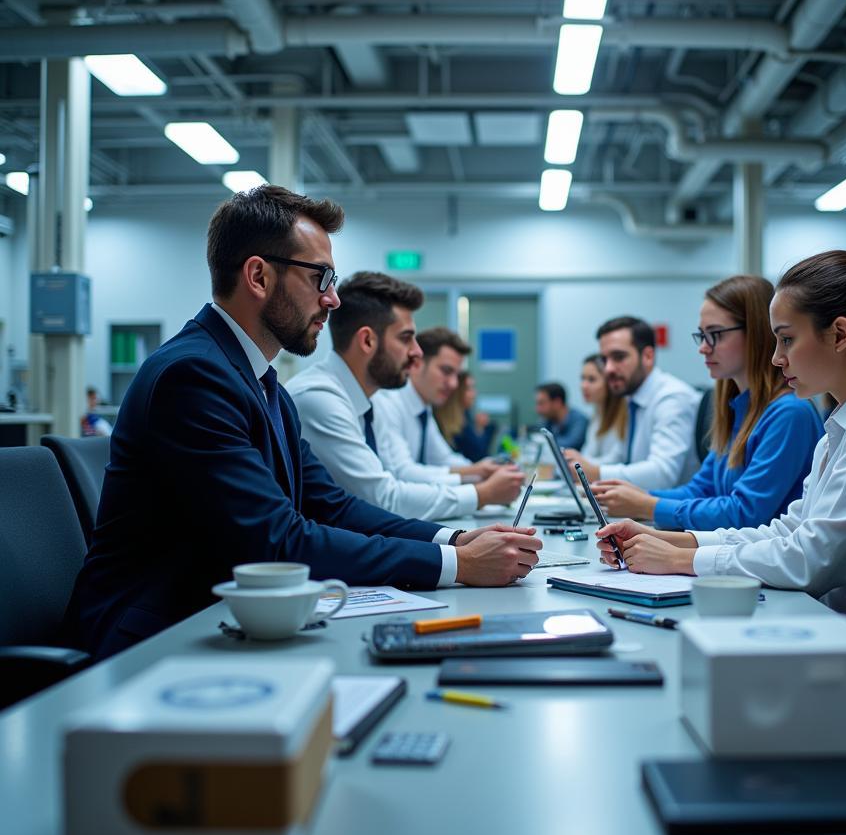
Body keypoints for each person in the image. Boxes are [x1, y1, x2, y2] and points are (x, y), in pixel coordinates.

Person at [67, 185, 541, 659]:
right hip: (153, 636)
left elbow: (330, 506)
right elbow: (277, 540)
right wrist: (455, 564)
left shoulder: (260, 381)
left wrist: (455, 539)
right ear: (258, 277)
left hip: (220, 617)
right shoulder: (193, 377)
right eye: (321, 278)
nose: (332, 299)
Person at [595, 251, 846, 637]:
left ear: (840, 334)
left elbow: (814, 559)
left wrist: (684, 559)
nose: (776, 358)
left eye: (787, 340)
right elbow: (793, 529)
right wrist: (673, 541)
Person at [591, 275, 823, 528]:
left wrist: (646, 504)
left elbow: (744, 513)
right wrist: (637, 497)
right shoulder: (738, 410)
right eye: (701, 335)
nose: (703, 347)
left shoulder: (790, 414)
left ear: (756, 333)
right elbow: (702, 489)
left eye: (715, 334)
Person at [286, 272, 523, 519]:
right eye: (406, 339)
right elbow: (383, 498)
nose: (417, 353)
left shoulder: (364, 401)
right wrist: (481, 494)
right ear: (367, 341)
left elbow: (394, 485)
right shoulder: (321, 399)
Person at [566, 316, 701, 490]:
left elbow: (663, 474)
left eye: (618, 357)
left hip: (668, 512)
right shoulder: (632, 398)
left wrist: (596, 472)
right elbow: (621, 458)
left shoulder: (672, 398)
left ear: (648, 356)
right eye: (604, 360)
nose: (608, 369)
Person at [374, 327, 503, 484]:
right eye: (446, 371)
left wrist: (485, 472)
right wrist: (477, 480)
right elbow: (403, 473)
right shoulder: (389, 402)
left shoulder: (423, 407)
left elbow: (443, 459)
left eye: (456, 375)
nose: (454, 384)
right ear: (417, 364)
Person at [579, 353, 626, 462]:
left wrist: (580, 463)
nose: (583, 386)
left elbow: (616, 460)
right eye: (582, 379)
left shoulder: (622, 417)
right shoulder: (597, 415)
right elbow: (588, 454)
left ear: (609, 383)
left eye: (591, 380)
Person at [444, 371, 496, 462]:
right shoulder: (450, 420)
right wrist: (480, 428)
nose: (474, 394)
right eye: (469, 389)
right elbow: (478, 453)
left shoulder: (465, 414)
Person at [534, 382, 588, 450]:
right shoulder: (547, 420)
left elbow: (571, 445)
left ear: (557, 402)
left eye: (541, 403)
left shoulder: (579, 420)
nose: (537, 409)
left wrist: (543, 443)